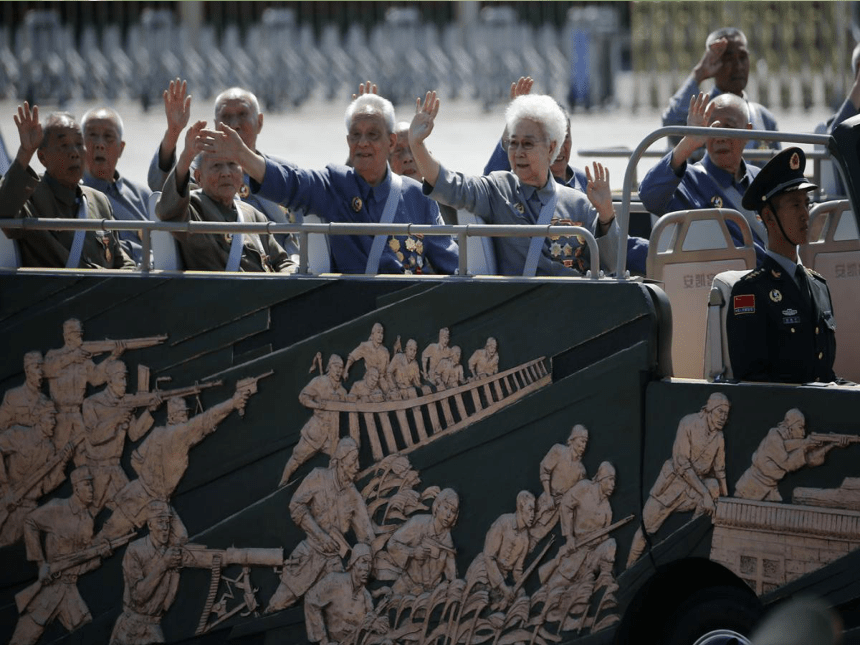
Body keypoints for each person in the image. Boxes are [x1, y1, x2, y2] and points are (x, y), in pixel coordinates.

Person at [198, 93, 459, 275]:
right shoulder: (334, 185)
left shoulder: (418, 197)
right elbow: (291, 182)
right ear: (348, 142)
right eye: (356, 135)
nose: (363, 142)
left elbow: (450, 261)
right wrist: (243, 155)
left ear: (391, 142)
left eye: (373, 134)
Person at [410, 91, 619, 277]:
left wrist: (607, 215)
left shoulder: (579, 203)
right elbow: (452, 186)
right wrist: (417, 145)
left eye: (527, 144)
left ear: (551, 147)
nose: (518, 152)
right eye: (513, 143)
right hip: (522, 308)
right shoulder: (498, 189)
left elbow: (609, 265)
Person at [148, 79, 301, 257]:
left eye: (243, 114)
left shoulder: (283, 170)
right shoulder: (201, 171)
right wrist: (173, 133)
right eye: (226, 117)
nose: (234, 124)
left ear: (259, 122)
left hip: (284, 265)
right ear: (215, 123)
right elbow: (161, 187)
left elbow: (299, 231)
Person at [726, 147, 838, 384]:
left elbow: (826, 376)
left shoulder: (818, 285)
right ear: (768, 218)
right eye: (795, 205)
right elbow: (753, 385)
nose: (806, 214)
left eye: (806, 204)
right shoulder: (750, 292)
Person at [98, 386, 251, 541]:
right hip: (140, 501)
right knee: (106, 539)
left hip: (148, 496)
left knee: (180, 539)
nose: (186, 419)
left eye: (186, 414)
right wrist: (233, 402)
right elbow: (206, 419)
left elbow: (135, 460)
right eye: (182, 415)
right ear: (172, 418)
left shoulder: (157, 433)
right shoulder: (179, 433)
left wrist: (149, 479)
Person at [0, 103, 133, 269]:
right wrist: (25, 152)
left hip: (108, 292)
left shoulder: (99, 201)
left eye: (79, 144)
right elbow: (4, 210)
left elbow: (121, 260)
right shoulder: (30, 195)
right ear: (42, 157)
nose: (74, 153)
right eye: (64, 145)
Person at [640, 92, 767, 266]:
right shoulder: (689, 179)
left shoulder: (761, 179)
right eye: (712, 127)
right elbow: (649, 195)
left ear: (747, 131)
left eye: (729, 127)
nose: (720, 137)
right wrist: (688, 142)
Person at [156, 120, 296, 273]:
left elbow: (281, 261)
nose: (226, 173)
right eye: (216, 166)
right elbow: (167, 211)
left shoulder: (253, 214)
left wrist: (289, 276)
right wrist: (186, 157)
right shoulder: (192, 208)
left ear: (242, 173)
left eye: (232, 164)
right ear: (198, 177)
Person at [266, 437, 375, 613]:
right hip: (308, 555)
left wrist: (364, 560)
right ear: (340, 460)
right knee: (277, 605)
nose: (357, 466)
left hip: (334, 565)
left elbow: (366, 536)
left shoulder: (353, 497)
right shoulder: (318, 476)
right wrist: (320, 535)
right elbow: (296, 506)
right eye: (353, 460)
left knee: (339, 614)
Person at [626, 393, 730, 568]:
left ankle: (688, 535)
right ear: (709, 409)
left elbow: (720, 470)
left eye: (726, 414)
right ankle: (628, 567)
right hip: (670, 486)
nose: (723, 417)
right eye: (720, 412)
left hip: (693, 491)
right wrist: (705, 494)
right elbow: (682, 464)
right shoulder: (688, 423)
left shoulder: (719, 437)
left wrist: (726, 499)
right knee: (645, 528)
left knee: (713, 486)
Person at [13, 466, 111, 645]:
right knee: (23, 638)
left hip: (69, 590)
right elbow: (30, 522)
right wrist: (41, 563)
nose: (91, 489)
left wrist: (99, 556)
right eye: (87, 485)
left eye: (92, 485)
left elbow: (81, 562)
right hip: (50, 589)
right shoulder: (57, 508)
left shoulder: (87, 520)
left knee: (88, 634)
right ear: (76, 488)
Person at [663, 28, 779, 151]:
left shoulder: (764, 118)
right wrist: (698, 73)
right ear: (712, 62)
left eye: (743, 57)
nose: (738, 66)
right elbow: (671, 126)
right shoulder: (700, 114)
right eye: (728, 58)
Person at [483, 77, 589, 193]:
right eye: (552, 139)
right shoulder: (523, 184)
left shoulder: (582, 181)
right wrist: (517, 119)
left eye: (565, 138)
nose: (559, 148)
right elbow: (490, 185)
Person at [81, 106, 152, 266]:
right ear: (80, 144)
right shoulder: (77, 197)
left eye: (108, 137)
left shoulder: (141, 195)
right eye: (92, 135)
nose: (100, 144)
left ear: (121, 148)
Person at [734, 409, 850, 502]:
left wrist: (831, 445)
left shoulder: (794, 444)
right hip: (750, 489)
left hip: (769, 490)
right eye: (800, 427)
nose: (803, 432)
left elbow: (811, 459)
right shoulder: (774, 435)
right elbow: (788, 464)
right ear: (790, 426)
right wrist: (805, 445)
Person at [109, 500, 182, 645]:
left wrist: (176, 571)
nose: (166, 528)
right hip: (130, 628)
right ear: (150, 525)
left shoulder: (171, 552)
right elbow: (138, 596)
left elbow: (169, 598)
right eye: (161, 522)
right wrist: (163, 565)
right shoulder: (135, 549)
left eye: (168, 523)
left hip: (154, 626)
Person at [44, 319, 123, 451]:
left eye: (81, 334)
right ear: (67, 337)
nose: (80, 338)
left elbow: (96, 378)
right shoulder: (53, 355)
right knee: (56, 456)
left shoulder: (83, 359)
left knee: (85, 455)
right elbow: (45, 371)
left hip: (77, 415)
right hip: (59, 418)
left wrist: (112, 357)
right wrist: (70, 359)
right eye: (77, 335)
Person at [0, 400, 71, 547]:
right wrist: (6, 488)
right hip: (5, 497)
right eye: (50, 418)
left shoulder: (49, 448)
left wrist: (62, 462)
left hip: (26, 508)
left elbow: (46, 485)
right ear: (39, 418)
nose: (54, 423)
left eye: (55, 418)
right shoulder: (18, 434)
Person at [279, 354, 348, 488]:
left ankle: (335, 487)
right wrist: (316, 405)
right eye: (336, 366)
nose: (339, 370)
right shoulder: (319, 382)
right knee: (297, 457)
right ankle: (283, 481)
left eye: (341, 367)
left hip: (331, 435)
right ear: (329, 367)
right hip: (315, 430)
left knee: (341, 458)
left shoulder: (342, 391)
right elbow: (303, 397)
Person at [304, 543, 390, 645]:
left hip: (354, 641)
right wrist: (323, 641)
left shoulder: (366, 597)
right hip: (334, 641)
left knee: (387, 642)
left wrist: (375, 623)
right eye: (363, 562)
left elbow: (365, 625)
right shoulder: (334, 581)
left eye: (370, 563)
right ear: (353, 563)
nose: (367, 568)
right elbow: (310, 600)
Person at [464, 490, 535, 608]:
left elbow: (517, 570)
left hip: (502, 582)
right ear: (520, 507)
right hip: (483, 573)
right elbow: (488, 557)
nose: (533, 514)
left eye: (534, 510)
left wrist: (520, 589)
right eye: (530, 509)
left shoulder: (525, 539)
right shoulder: (503, 522)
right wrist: (503, 588)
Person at [384, 488, 459, 595]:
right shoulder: (417, 523)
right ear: (437, 506)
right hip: (406, 586)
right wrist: (412, 552)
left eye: (453, 511)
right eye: (446, 507)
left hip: (429, 595)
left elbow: (451, 576)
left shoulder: (448, 542)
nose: (448, 514)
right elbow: (392, 544)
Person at [0, 351, 50, 431]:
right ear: (27, 371)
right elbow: (2, 424)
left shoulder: (46, 401)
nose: (41, 372)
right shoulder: (12, 396)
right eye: (37, 367)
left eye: (43, 368)